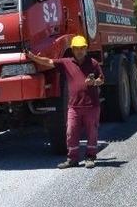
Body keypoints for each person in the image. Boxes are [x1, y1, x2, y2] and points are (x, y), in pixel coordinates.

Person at [26, 35, 105, 169]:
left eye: (82, 48)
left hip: (92, 106)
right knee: (71, 131)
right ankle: (72, 158)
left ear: (86, 49)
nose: (79, 51)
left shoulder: (93, 63)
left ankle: (90, 157)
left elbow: (102, 79)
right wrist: (33, 57)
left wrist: (94, 82)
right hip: (74, 106)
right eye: (76, 48)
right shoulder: (66, 63)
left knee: (92, 131)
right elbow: (48, 62)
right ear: (72, 49)